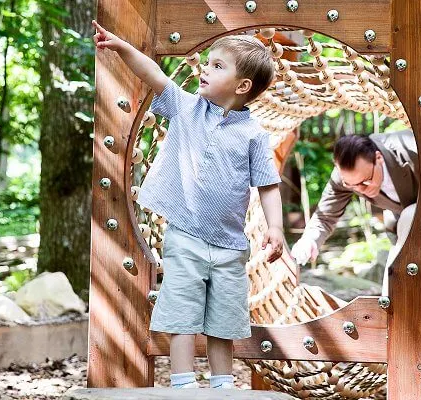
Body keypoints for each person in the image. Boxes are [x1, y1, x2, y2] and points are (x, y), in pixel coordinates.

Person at [92, 21, 284, 389]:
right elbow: (156, 76)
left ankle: (222, 384)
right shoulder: (189, 109)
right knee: (182, 309)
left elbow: (268, 185)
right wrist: (122, 47)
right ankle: (183, 383)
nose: (204, 70)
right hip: (186, 236)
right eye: (207, 63)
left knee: (224, 318)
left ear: (242, 86)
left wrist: (275, 227)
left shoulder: (255, 135)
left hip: (230, 245)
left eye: (216, 66)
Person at [291, 132, 418, 295]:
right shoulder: (345, 178)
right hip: (401, 228)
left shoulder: (411, 151)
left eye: (365, 181)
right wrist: (309, 241)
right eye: (351, 185)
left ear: (378, 158)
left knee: (409, 215)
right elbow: (325, 216)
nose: (360, 190)